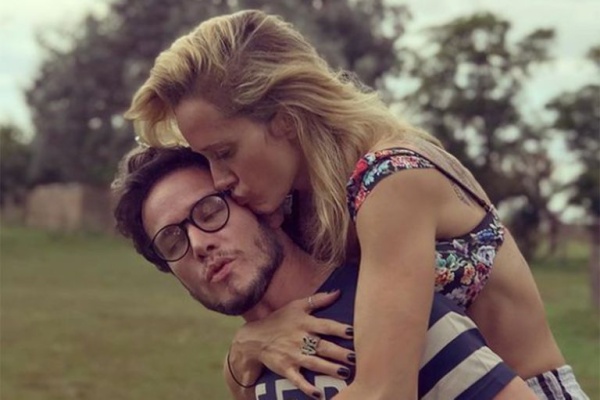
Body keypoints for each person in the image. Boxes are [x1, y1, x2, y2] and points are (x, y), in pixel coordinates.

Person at [124, 10, 589, 400]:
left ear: (284, 121)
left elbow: (384, 392)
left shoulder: (392, 178)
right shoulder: (300, 205)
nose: (220, 178)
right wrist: (248, 346)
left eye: (224, 152)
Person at [111, 145, 538, 400]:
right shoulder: (258, 362)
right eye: (172, 241)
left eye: (209, 212)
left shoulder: (391, 315)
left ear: (263, 208)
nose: (198, 244)